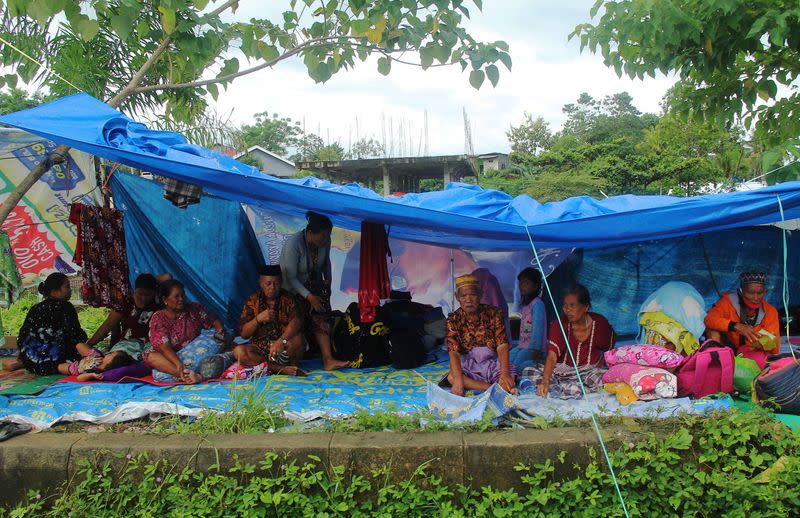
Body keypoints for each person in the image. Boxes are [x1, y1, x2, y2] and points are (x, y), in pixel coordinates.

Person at [280, 211, 348, 370]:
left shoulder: (325, 240)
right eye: (323, 236)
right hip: (291, 290)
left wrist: (328, 279)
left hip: (312, 286)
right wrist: (309, 297)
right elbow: (291, 278)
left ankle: (328, 360)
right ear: (310, 233)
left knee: (321, 315)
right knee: (296, 322)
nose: (325, 240)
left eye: (327, 236)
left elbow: (327, 262)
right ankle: (292, 358)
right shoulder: (294, 244)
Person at [522, 284, 615, 399]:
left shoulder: (600, 323)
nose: (567, 310)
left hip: (588, 373)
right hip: (560, 373)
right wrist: (545, 381)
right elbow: (552, 357)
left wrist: (601, 362)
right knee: (527, 370)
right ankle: (571, 389)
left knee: (606, 377)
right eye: (565, 305)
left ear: (585, 307)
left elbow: (610, 347)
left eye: (572, 305)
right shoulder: (559, 324)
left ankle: (565, 390)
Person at [444, 274, 517, 395]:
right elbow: (454, 352)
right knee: (452, 377)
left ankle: (497, 386)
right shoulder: (453, 319)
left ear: (480, 295)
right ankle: (490, 388)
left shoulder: (494, 313)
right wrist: (458, 381)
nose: (468, 300)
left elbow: (502, 344)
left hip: (492, 363)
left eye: (472, 295)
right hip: (469, 364)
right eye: (463, 296)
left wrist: (505, 373)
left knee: (508, 379)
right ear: (457, 297)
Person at [143, 280, 225, 383]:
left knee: (160, 374)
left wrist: (220, 331)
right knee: (150, 356)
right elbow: (165, 347)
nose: (181, 299)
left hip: (194, 351)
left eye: (183, 295)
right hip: (172, 356)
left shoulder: (194, 309)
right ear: (165, 300)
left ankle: (183, 375)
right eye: (176, 296)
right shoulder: (158, 318)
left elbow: (213, 320)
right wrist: (178, 364)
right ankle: (184, 375)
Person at [84, 273, 170, 361]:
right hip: (127, 345)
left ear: (154, 293)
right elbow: (107, 325)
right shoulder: (126, 303)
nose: (143, 298)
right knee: (117, 359)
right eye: (140, 294)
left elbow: (167, 277)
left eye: (148, 295)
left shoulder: (159, 302)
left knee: (152, 358)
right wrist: (88, 345)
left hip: (149, 345)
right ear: (134, 291)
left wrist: (150, 280)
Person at [233, 265, 304, 368]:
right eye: (268, 284)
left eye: (276, 283)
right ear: (261, 283)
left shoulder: (289, 299)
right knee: (239, 352)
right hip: (260, 348)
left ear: (281, 283)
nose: (272, 287)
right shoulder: (253, 300)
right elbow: (244, 334)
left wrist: (281, 341)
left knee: (298, 340)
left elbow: (296, 322)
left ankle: (288, 366)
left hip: (284, 346)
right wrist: (258, 319)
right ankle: (278, 368)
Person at [704, 271, 779, 368]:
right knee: (712, 330)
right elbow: (709, 319)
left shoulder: (770, 311)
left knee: (763, 361)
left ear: (765, 292)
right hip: (726, 346)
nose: (756, 297)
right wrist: (735, 326)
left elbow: (775, 348)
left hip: (749, 351)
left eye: (760, 293)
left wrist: (761, 342)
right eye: (751, 293)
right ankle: (718, 365)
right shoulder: (728, 302)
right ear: (741, 291)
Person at [17, 272, 88, 375]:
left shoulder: (35, 308)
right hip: (57, 358)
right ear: (54, 291)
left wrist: (23, 356)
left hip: (32, 360)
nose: (70, 290)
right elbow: (74, 334)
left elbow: (23, 335)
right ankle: (70, 367)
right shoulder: (66, 307)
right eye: (67, 287)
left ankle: (21, 363)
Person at [509, 268, 547, 371]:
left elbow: (538, 329)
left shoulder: (538, 304)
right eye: (521, 283)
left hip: (534, 348)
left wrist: (535, 349)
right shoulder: (526, 305)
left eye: (526, 283)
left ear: (536, 286)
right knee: (507, 360)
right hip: (523, 345)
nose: (522, 286)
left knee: (516, 366)